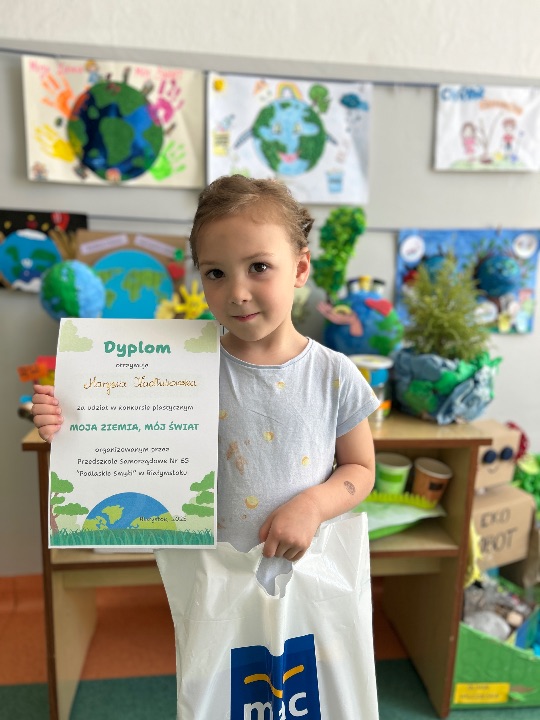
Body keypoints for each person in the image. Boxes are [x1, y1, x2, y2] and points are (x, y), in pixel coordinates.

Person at [32, 174, 379, 592]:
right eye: (215, 272)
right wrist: (70, 423)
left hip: (304, 577)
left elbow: (361, 469)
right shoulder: (180, 368)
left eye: (259, 267)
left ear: (300, 268)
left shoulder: (335, 374)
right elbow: (133, 437)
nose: (237, 292)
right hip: (210, 581)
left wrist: (313, 505)